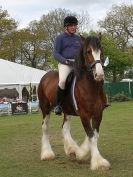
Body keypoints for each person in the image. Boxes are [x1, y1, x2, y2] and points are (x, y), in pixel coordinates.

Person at [53, 16, 82, 115]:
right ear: (66, 27)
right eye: (71, 26)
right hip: (66, 64)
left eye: (75, 25)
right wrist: (65, 61)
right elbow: (56, 53)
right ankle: (58, 105)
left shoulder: (78, 38)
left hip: (78, 64)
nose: (74, 27)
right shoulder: (60, 38)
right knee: (62, 81)